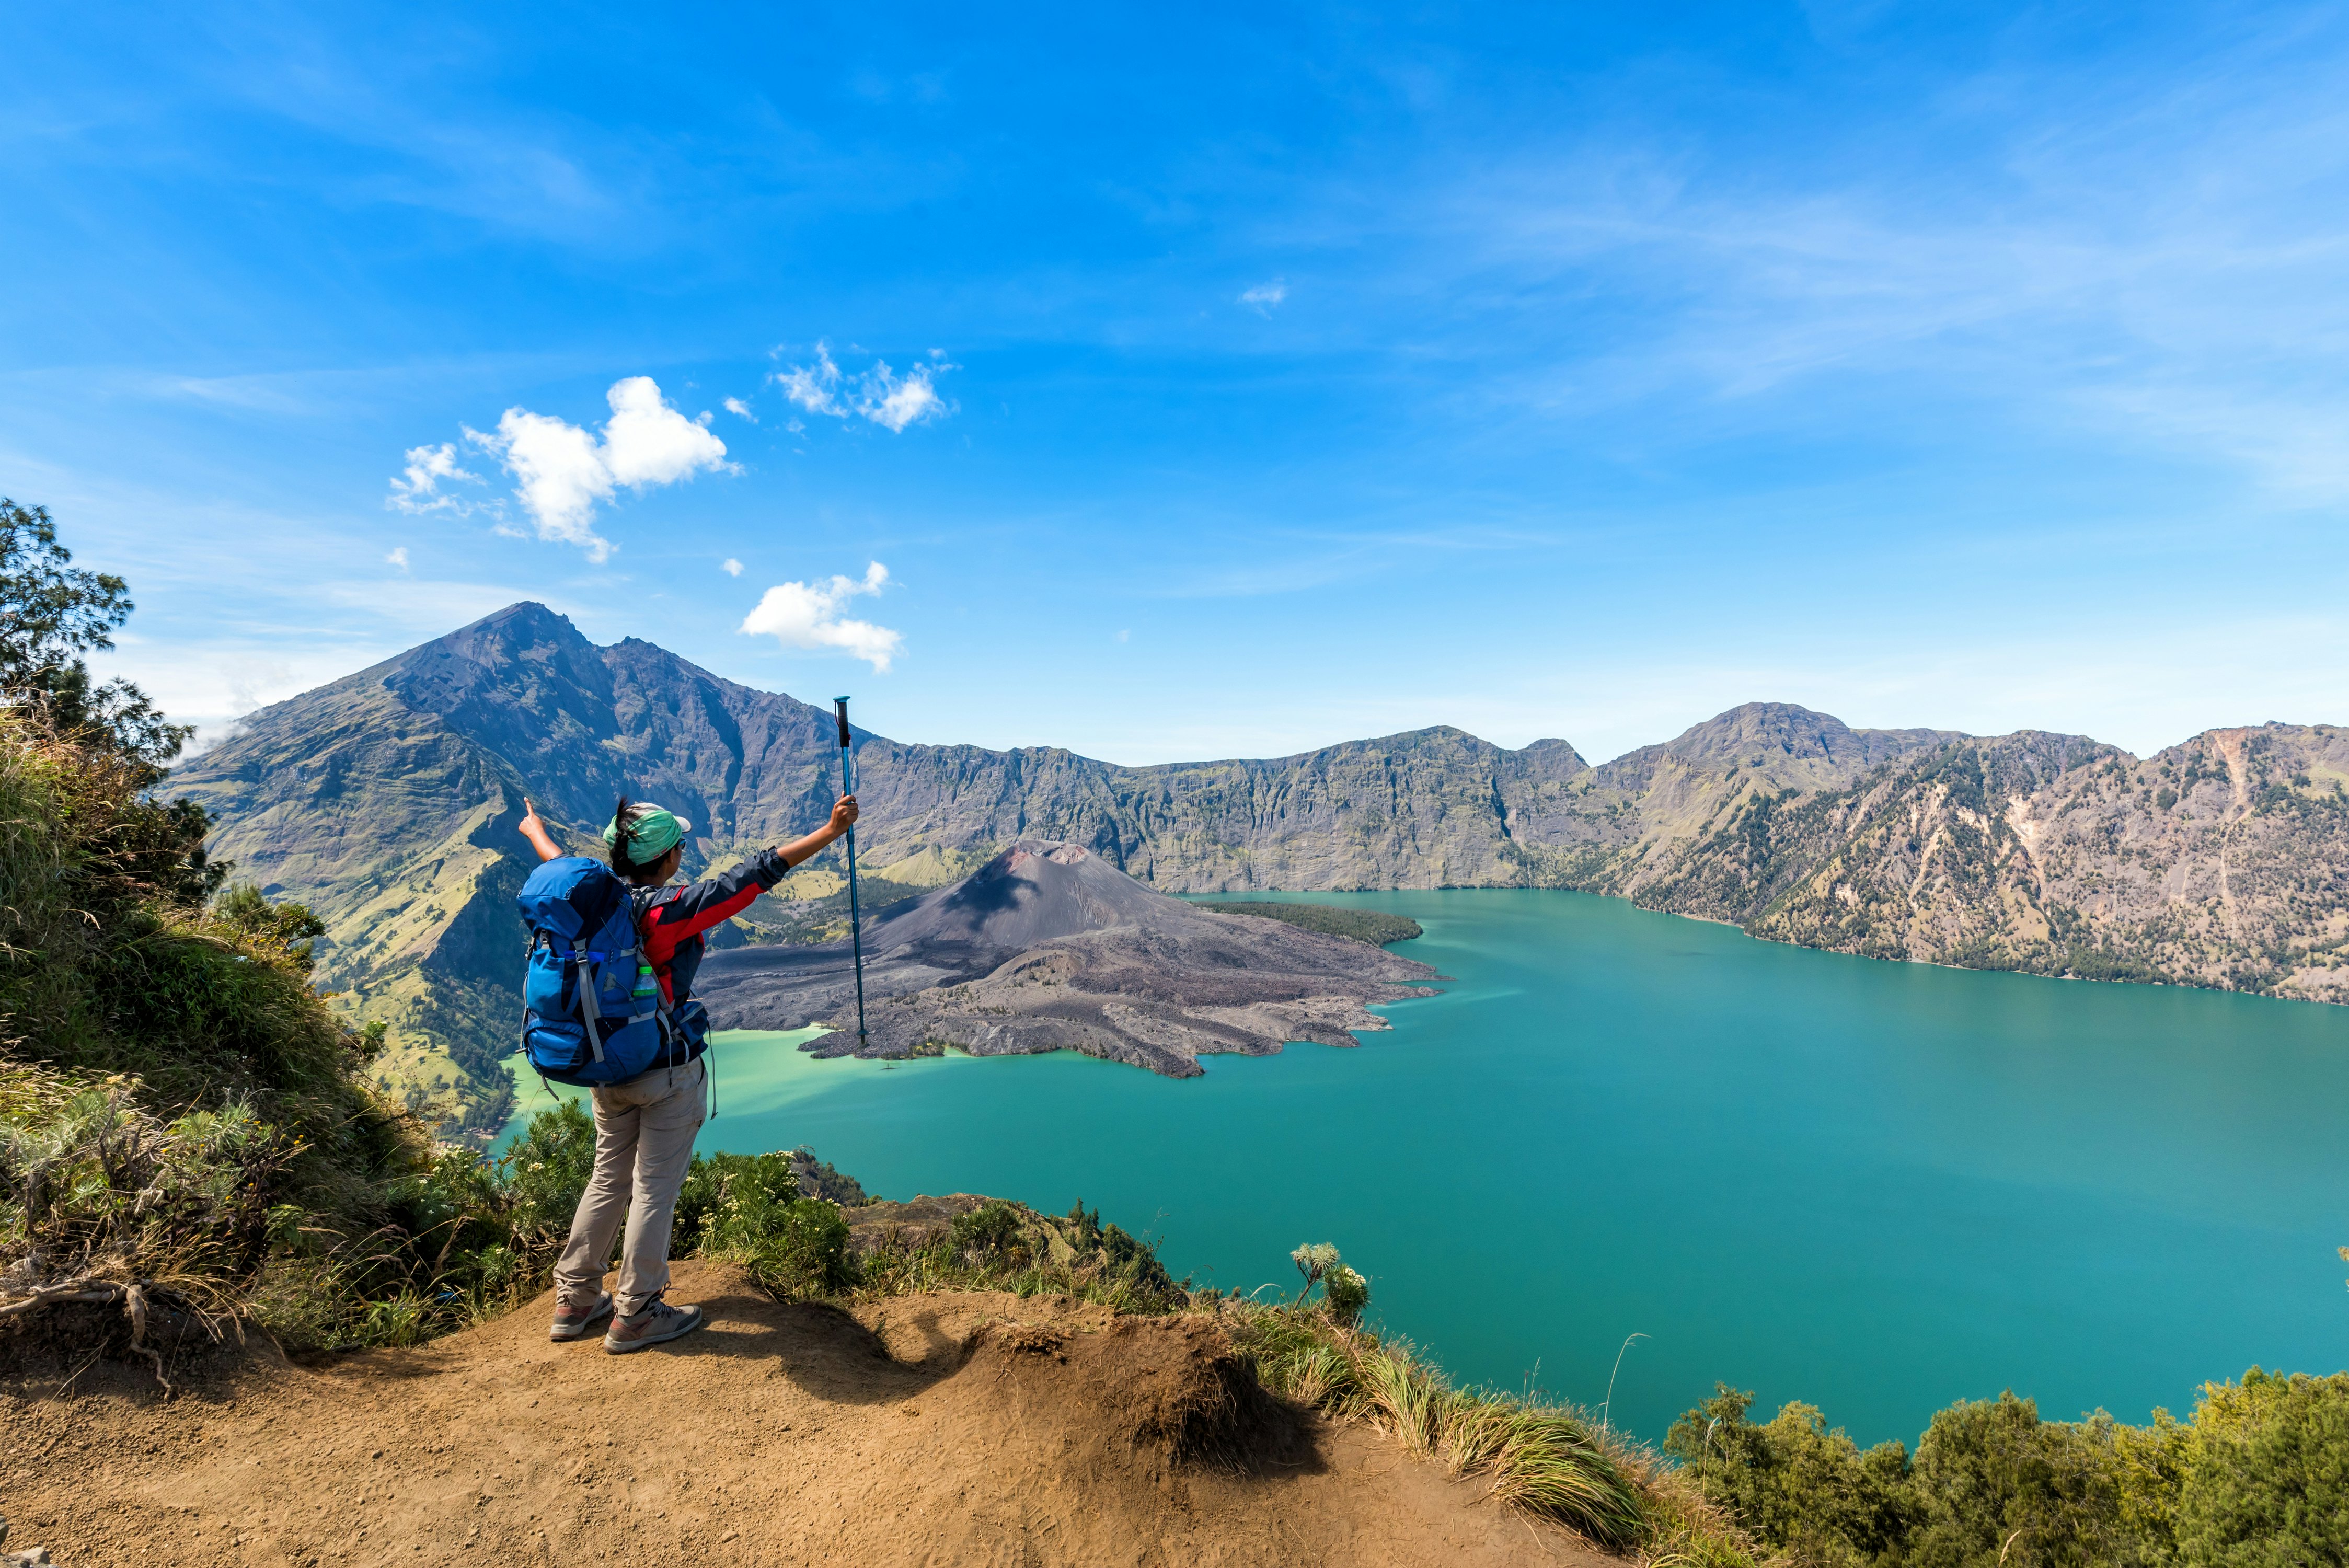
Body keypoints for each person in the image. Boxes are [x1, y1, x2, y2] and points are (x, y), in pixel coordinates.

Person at [516, 788, 859, 1352]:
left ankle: (575, 1299)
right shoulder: (666, 910)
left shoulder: (593, 902)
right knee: (654, 1189)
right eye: (679, 846)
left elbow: (555, 862)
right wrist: (829, 833)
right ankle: (639, 1311)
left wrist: (533, 830)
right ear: (668, 858)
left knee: (608, 1179)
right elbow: (753, 878)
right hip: (665, 1070)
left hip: (607, 1070)